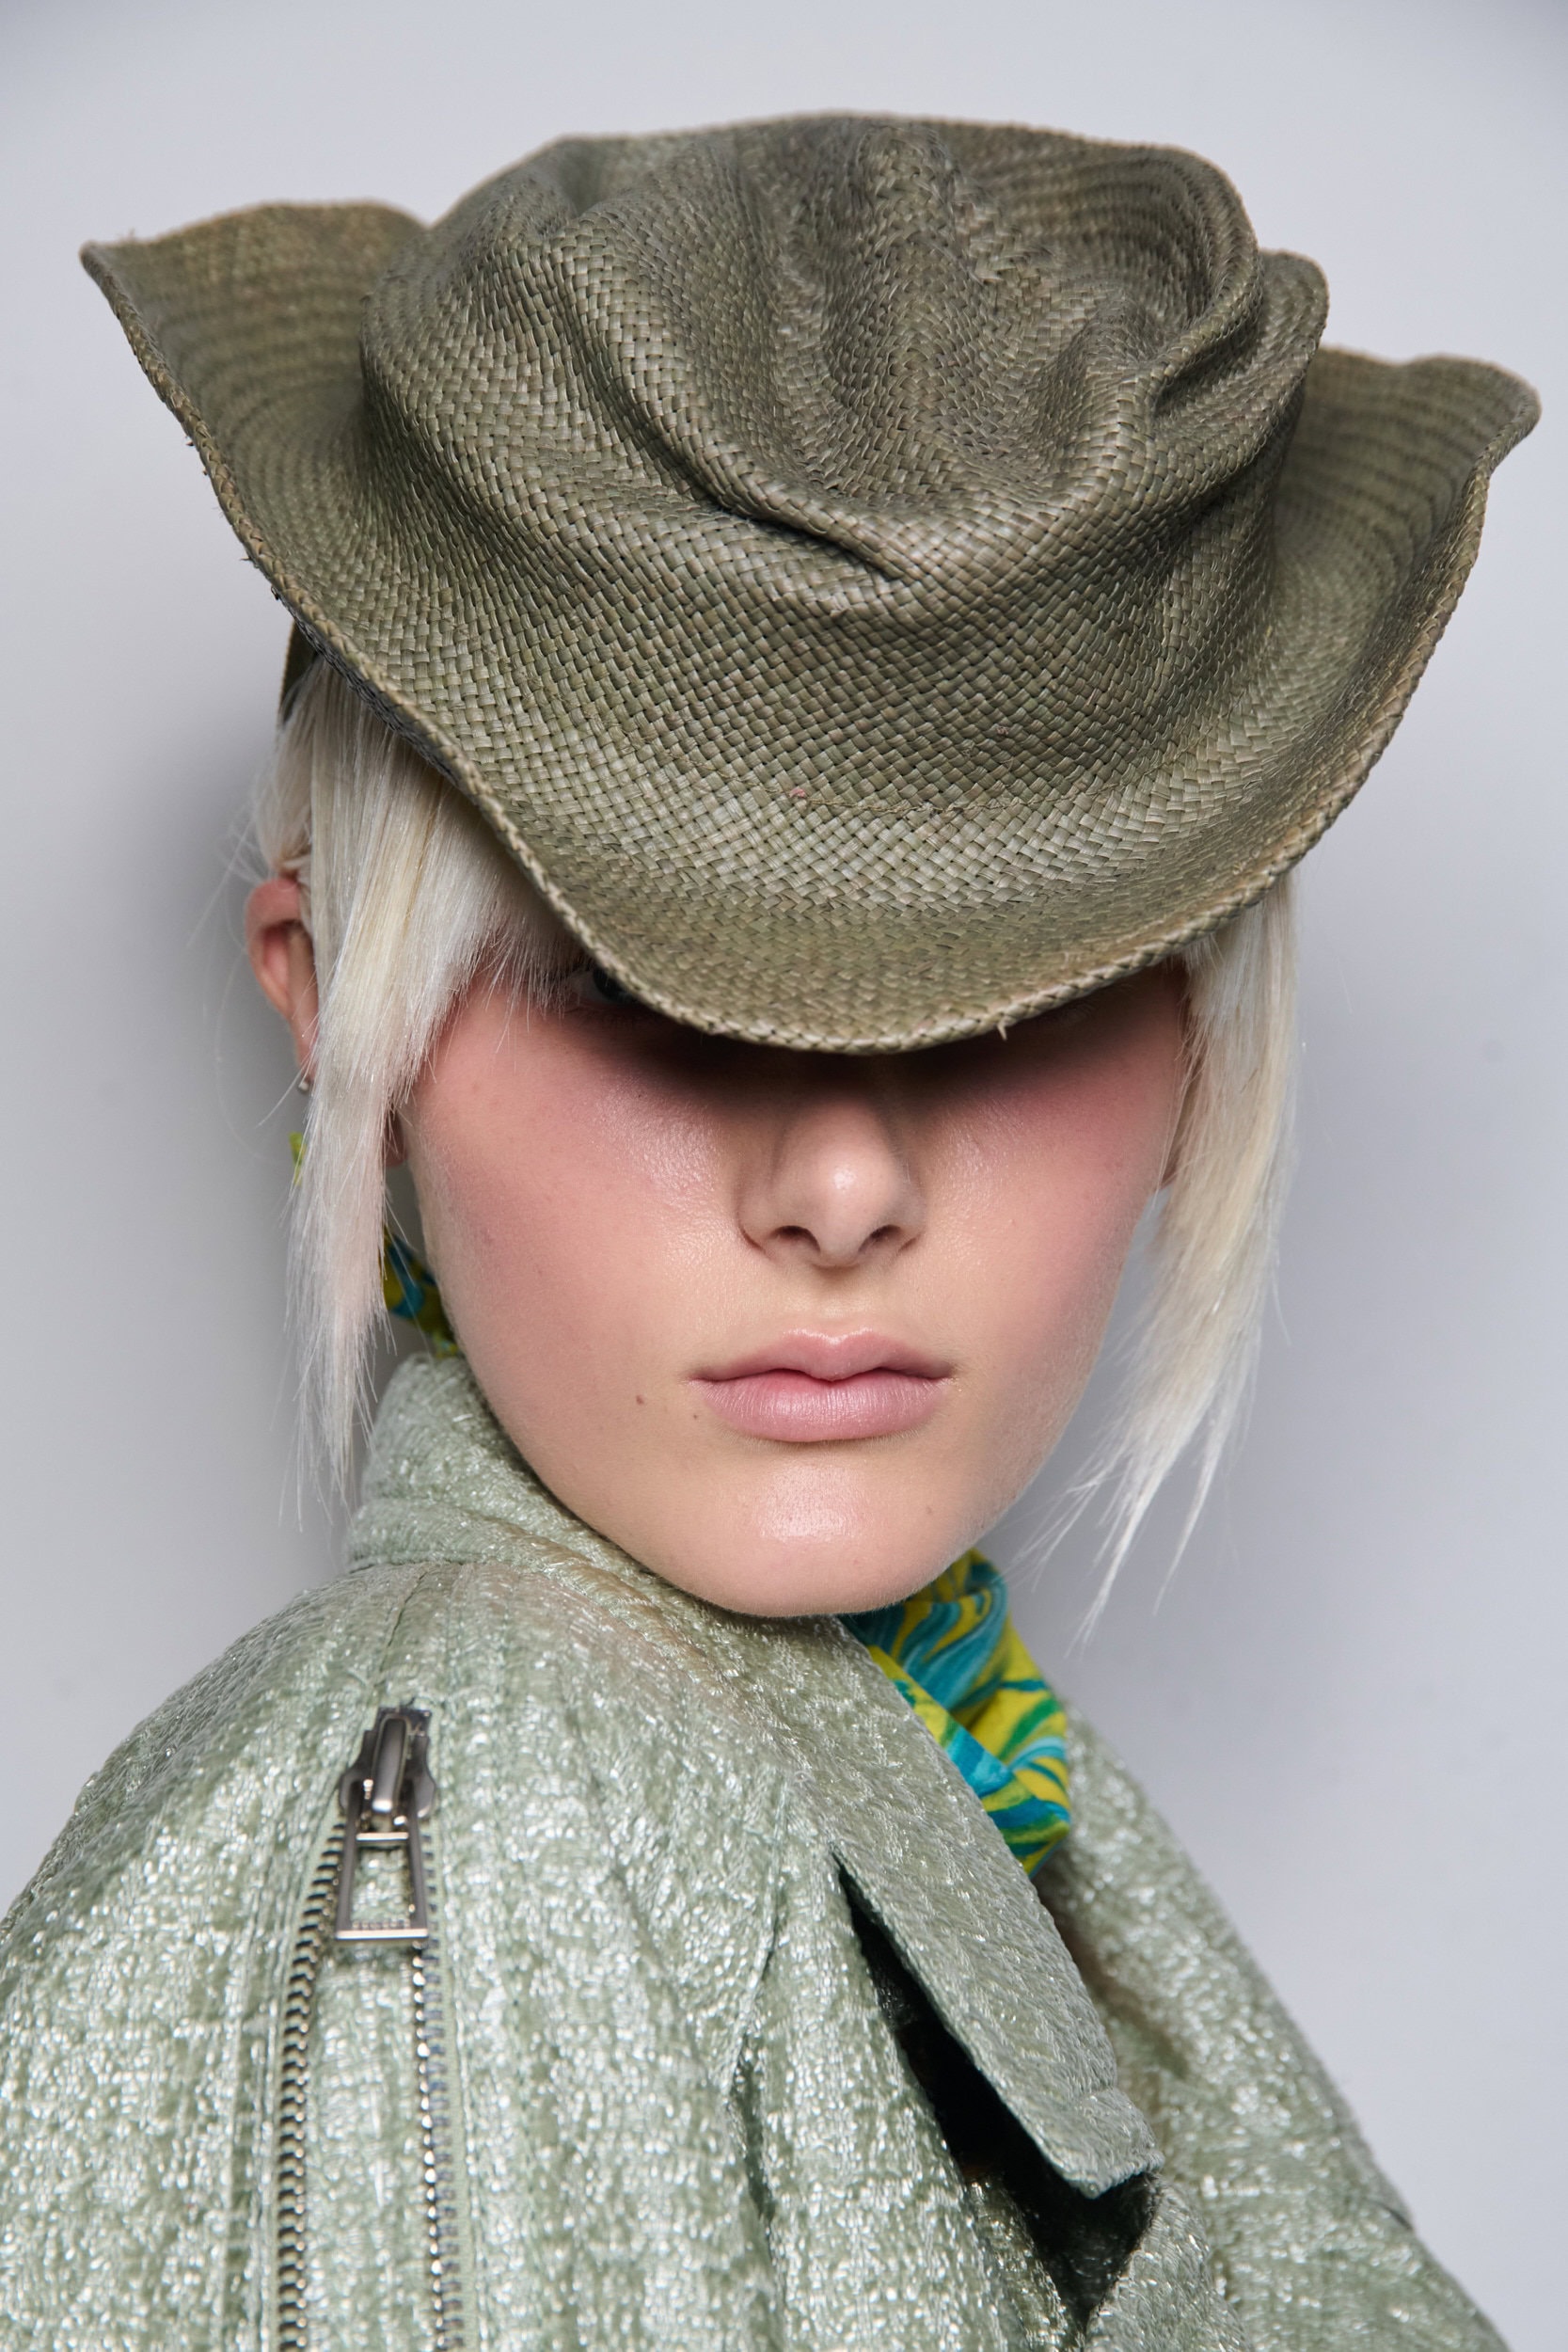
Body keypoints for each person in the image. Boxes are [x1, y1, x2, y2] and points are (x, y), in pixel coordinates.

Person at [0, 116, 1535, 2350]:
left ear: (1195, 1040)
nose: (840, 1185)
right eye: (638, 996)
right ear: (343, 1017)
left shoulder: (914, 1748)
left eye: (1010, 997)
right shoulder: (500, 1811)